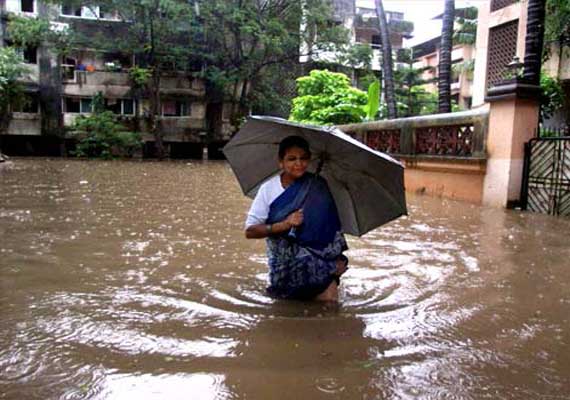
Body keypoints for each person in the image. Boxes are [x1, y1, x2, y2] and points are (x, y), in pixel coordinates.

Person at [245, 136, 349, 301]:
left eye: (303, 158)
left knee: (330, 306)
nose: (298, 163)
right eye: (292, 159)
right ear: (281, 162)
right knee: (284, 313)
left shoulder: (319, 185)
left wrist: (338, 259)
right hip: (284, 267)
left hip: (320, 266)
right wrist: (284, 224)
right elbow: (250, 231)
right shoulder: (268, 189)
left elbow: (332, 228)